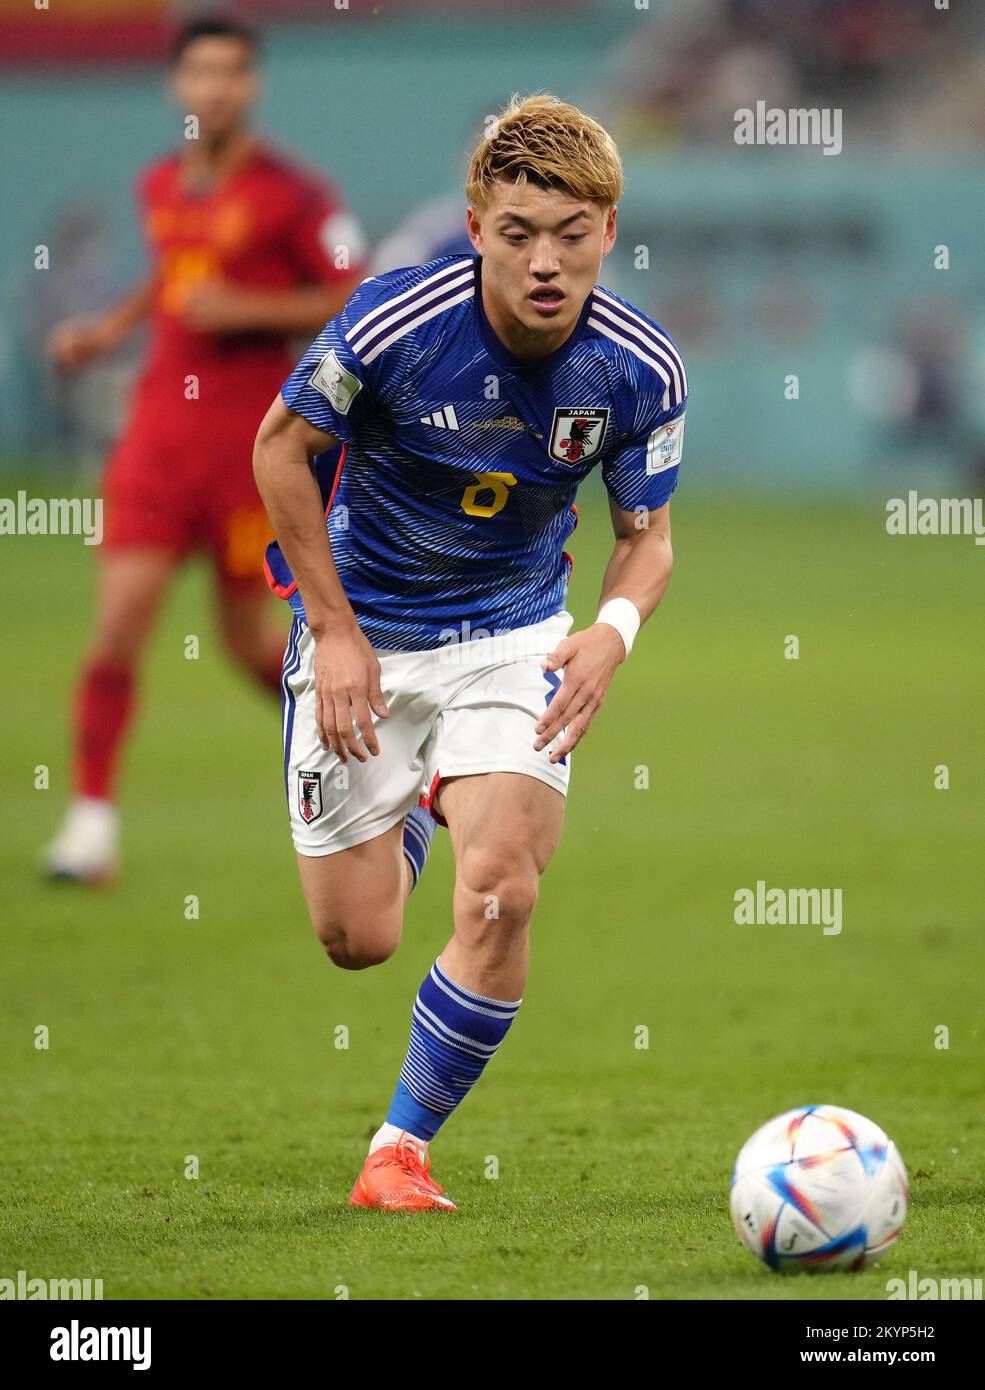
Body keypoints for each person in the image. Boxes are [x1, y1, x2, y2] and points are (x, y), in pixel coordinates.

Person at [253, 94, 687, 1211]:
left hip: (513, 634)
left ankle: (399, 1148)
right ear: (475, 224)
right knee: (357, 940)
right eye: (517, 232)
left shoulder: (638, 369)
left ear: (610, 229)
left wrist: (611, 630)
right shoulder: (396, 320)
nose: (546, 261)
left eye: (572, 233)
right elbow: (279, 451)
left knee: (499, 891)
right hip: (364, 634)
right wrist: (334, 630)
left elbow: (646, 542)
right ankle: (410, 800)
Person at [43, 16, 365, 883]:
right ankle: (90, 824)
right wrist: (105, 330)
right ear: (177, 87)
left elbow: (356, 290)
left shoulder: (297, 196)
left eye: (230, 73)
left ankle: (360, 755)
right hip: (156, 442)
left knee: (248, 645)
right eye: (199, 74)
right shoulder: (162, 183)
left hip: (250, 452)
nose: (214, 90)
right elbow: (174, 280)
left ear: (250, 86)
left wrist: (248, 313)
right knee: (115, 633)